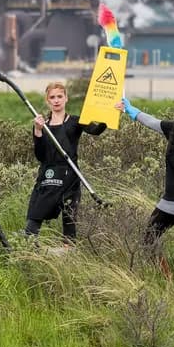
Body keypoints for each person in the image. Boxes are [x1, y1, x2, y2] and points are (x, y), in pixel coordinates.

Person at [116, 93, 174, 299]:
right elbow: (152, 122)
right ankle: (167, 281)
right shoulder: (173, 129)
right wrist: (131, 110)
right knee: (148, 238)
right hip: (169, 200)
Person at [25, 81, 107, 244]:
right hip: (48, 177)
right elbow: (40, 156)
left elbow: (96, 130)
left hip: (70, 178)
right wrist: (38, 131)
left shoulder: (76, 121)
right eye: (52, 97)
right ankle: (29, 251)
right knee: (34, 218)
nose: (56, 100)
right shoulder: (42, 125)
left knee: (69, 222)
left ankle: (69, 253)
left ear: (66, 98)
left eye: (59, 96)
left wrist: (109, 114)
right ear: (47, 100)